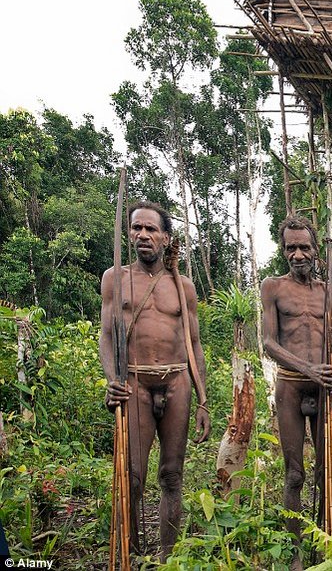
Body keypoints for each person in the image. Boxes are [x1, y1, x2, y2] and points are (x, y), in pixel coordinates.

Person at [99, 201, 210, 560]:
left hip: (177, 382)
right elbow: (106, 335)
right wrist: (112, 378)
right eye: (136, 229)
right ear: (129, 233)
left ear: (166, 237)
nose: (142, 235)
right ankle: (130, 552)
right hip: (134, 383)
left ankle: (168, 557)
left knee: (172, 475)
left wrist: (203, 401)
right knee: (132, 475)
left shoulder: (183, 286)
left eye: (150, 229)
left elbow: (193, 344)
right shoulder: (115, 278)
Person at [261, 216, 332, 569]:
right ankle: (294, 552)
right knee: (294, 473)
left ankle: (326, 543)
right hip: (291, 387)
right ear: (283, 251)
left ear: (315, 251)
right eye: (291, 247)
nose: (298, 254)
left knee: (327, 471)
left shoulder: (330, 293)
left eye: (304, 247)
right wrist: (307, 368)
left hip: (324, 388)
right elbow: (268, 342)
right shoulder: (273, 287)